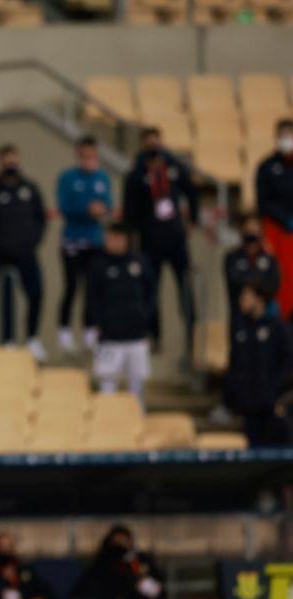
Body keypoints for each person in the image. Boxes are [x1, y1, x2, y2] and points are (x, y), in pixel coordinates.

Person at [123, 126, 199, 357]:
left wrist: (192, 220)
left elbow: (192, 192)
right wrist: (133, 239)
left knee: (185, 286)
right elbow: (129, 210)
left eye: (156, 141)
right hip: (150, 241)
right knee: (150, 291)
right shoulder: (136, 174)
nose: (153, 146)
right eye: (148, 142)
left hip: (176, 238)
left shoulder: (174, 166)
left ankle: (191, 335)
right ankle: (154, 336)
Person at [0, 143, 48, 360]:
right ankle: (8, 340)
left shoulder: (30, 189)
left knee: (36, 294)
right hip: (3, 256)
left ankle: (32, 338)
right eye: (6, 159)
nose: (11, 162)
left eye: (14, 158)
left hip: (28, 254)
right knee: (6, 299)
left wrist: (32, 241)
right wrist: (0, 243)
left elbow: (40, 219)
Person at [55, 136, 112, 353]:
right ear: (78, 155)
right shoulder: (67, 178)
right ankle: (65, 331)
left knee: (93, 288)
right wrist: (87, 209)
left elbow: (108, 204)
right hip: (72, 241)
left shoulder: (102, 178)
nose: (89, 160)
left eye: (92, 156)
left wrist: (102, 210)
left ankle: (90, 331)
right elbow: (64, 206)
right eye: (84, 156)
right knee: (71, 286)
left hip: (94, 241)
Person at [88, 221, 155, 401]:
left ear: (126, 240)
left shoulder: (140, 263)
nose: (114, 242)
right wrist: (95, 325)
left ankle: (136, 419)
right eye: (110, 238)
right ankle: (106, 421)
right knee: (107, 384)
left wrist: (145, 319)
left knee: (137, 385)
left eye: (118, 238)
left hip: (136, 335)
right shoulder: (99, 265)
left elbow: (151, 294)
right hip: (110, 336)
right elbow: (92, 298)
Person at [226, 284, 293, 447]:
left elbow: (288, 363)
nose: (241, 301)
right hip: (248, 405)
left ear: (259, 299)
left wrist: (275, 392)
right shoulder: (239, 327)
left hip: (271, 404)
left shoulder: (278, 327)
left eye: (246, 297)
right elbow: (234, 364)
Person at [74, 525, 167, 599]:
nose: (120, 546)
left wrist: (132, 564)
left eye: (123, 542)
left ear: (131, 541)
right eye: (116, 543)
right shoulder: (106, 560)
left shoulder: (138, 559)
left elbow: (153, 589)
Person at [255, 118, 293, 318]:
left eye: (290, 134)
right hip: (277, 230)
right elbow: (263, 202)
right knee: (280, 278)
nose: (287, 139)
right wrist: (284, 218)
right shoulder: (267, 167)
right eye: (283, 135)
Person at [224, 215, 281, 327]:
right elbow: (234, 280)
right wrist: (259, 283)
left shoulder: (269, 257)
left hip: (267, 317)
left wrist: (255, 298)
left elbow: (274, 283)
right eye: (248, 236)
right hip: (239, 318)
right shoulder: (232, 257)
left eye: (255, 236)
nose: (251, 241)